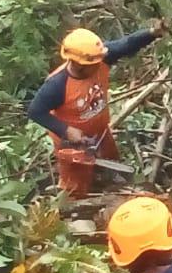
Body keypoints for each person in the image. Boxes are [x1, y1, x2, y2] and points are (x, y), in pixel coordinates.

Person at [27, 22, 164, 196]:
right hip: (72, 142)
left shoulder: (99, 58)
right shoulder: (57, 85)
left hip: (99, 131)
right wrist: (65, 130)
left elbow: (126, 44)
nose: (98, 65)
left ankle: (112, 187)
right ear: (78, 64)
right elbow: (35, 111)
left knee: (111, 163)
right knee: (76, 184)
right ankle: (76, 207)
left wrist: (152, 33)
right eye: (93, 63)